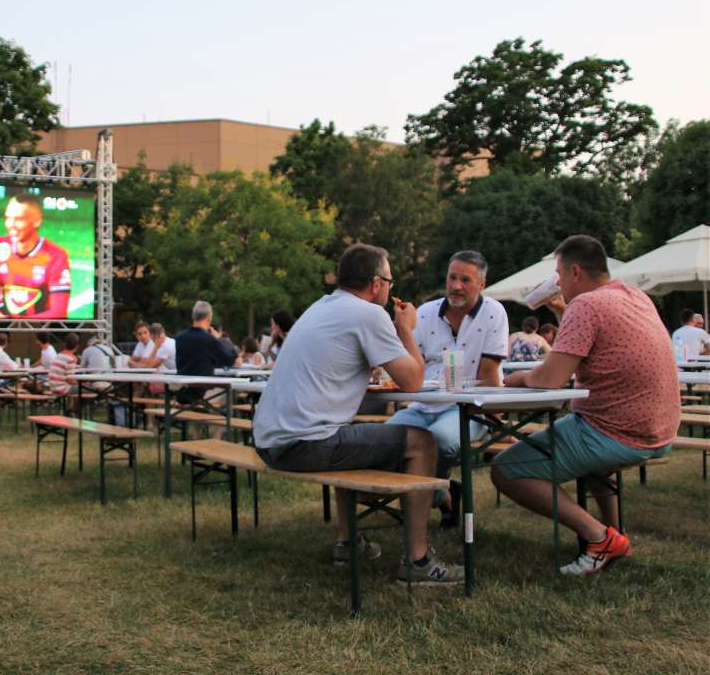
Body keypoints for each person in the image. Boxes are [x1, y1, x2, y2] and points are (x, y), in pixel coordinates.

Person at [254, 244, 462, 583]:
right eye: (391, 281)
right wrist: (406, 328)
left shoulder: (321, 306)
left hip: (270, 439)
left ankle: (349, 543)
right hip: (303, 444)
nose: (392, 289)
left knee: (344, 433)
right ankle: (418, 561)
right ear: (377, 283)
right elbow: (413, 379)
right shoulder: (367, 313)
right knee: (423, 442)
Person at [494, 235, 680, 576]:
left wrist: (519, 378)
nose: (558, 282)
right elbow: (603, 340)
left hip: (617, 431)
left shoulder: (587, 306)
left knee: (505, 470)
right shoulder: (632, 295)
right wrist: (563, 311)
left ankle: (600, 539)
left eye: (560, 275)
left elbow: (550, 379)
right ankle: (616, 534)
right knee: (594, 465)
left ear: (575, 271)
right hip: (660, 428)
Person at [386, 250, 508, 526]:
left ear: (482, 284)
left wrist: (497, 419)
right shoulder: (427, 313)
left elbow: (488, 373)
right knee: (384, 438)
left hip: (469, 408)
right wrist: (402, 329)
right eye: (452, 277)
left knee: (438, 439)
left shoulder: (493, 313)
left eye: (465, 280)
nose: (456, 286)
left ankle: (423, 496)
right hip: (423, 404)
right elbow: (408, 363)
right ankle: (442, 493)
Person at [0, 194, 71, 319]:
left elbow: (59, 313)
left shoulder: (55, 255)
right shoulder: (0, 246)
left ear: (37, 221)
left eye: (19, 219)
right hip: (0, 333)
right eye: (8, 218)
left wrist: (10, 322)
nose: (10, 225)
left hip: (42, 333)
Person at [173, 301, 237, 422]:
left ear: (193, 316)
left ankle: (196, 435)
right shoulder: (209, 339)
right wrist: (220, 339)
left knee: (201, 402)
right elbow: (229, 361)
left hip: (183, 393)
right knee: (230, 394)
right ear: (209, 318)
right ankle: (217, 436)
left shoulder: (179, 338)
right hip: (203, 393)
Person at [47, 333, 79, 399]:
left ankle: (73, 408)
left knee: (82, 387)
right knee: (90, 388)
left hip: (53, 387)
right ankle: (78, 409)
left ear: (65, 344)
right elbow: (70, 380)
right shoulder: (71, 358)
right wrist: (82, 384)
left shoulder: (59, 355)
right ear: (77, 346)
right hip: (62, 389)